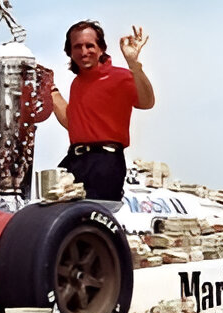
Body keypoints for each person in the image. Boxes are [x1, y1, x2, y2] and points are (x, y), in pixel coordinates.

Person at [51, 20, 155, 201]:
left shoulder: (120, 77)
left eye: (89, 45)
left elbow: (147, 102)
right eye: (77, 47)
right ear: (69, 51)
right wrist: (50, 89)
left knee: (93, 216)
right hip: (76, 159)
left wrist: (134, 64)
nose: (84, 52)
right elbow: (73, 123)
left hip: (105, 161)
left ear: (101, 48)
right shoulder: (77, 83)